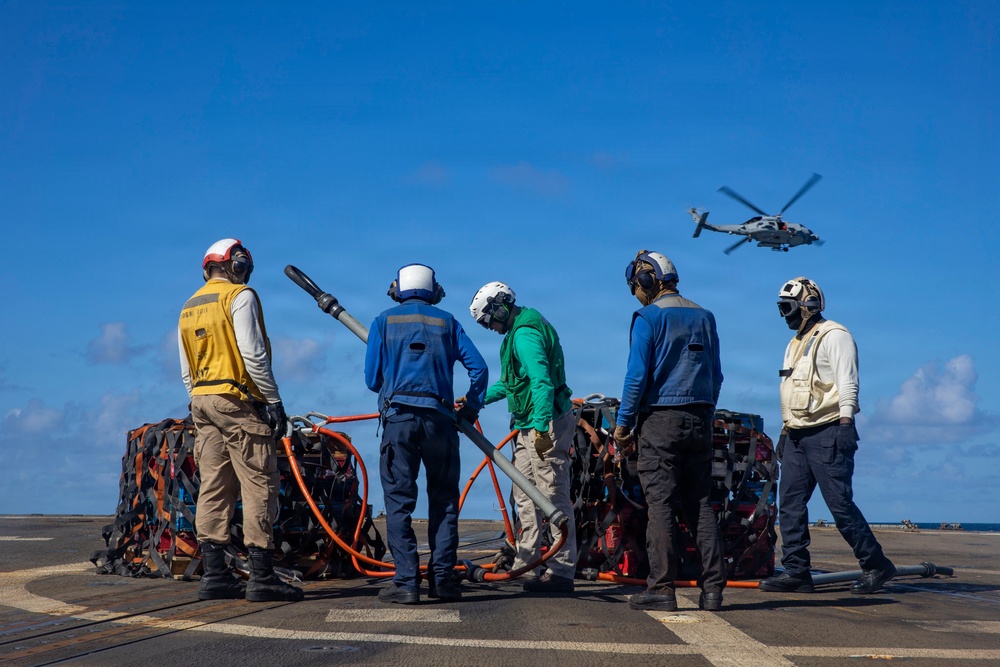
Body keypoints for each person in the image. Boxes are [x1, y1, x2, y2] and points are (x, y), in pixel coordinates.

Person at [178, 238, 303, 602]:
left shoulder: (189, 306)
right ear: (238, 265)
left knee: (214, 484)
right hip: (237, 401)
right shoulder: (240, 296)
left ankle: (215, 575)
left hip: (201, 401)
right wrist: (274, 400)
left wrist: (200, 398)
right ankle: (262, 578)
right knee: (259, 483)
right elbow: (253, 352)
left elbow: (186, 368)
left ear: (207, 268)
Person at [760, 277, 896, 595]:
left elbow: (848, 382)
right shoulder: (795, 344)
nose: (784, 315)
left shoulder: (835, 336)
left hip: (829, 430)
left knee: (839, 503)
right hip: (796, 435)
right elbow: (791, 391)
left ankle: (876, 565)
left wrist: (846, 424)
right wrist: (784, 431)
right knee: (790, 504)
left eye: (787, 307)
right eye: (781, 308)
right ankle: (796, 571)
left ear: (806, 305)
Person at [365, 264, 488, 604]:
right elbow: (479, 368)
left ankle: (406, 584)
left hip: (399, 421)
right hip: (441, 423)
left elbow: (372, 379)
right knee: (444, 502)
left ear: (398, 290)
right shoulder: (448, 322)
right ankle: (442, 581)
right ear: (433, 291)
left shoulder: (382, 321)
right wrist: (471, 408)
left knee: (399, 504)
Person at [614, 250, 726, 612]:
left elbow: (636, 377)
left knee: (660, 505)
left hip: (660, 422)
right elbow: (716, 375)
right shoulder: (706, 317)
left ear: (649, 281)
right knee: (700, 504)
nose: (637, 292)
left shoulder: (647, 318)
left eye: (637, 285)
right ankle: (713, 592)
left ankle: (661, 589)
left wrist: (623, 426)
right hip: (701, 420)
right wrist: (706, 413)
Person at [468, 282, 579, 594]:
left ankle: (561, 570)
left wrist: (542, 429)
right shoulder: (519, 329)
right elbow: (511, 384)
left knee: (552, 495)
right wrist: (473, 401)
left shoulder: (525, 335)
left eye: (488, 321)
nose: (489, 328)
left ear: (498, 308)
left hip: (545, 424)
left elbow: (542, 383)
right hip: (529, 424)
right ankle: (527, 562)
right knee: (524, 494)